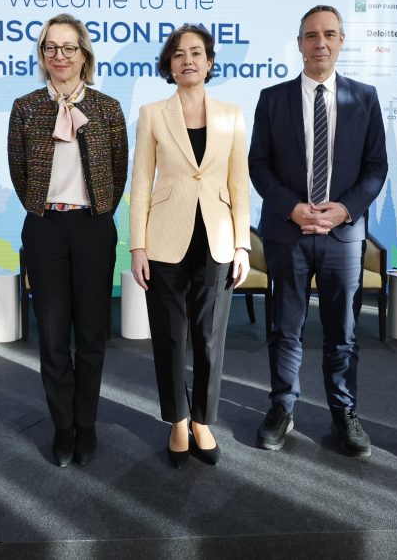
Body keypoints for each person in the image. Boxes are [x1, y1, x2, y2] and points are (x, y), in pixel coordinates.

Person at [249, 5, 387, 457]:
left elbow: (376, 167)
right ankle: (282, 408)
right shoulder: (273, 99)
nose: (320, 42)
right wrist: (291, 208)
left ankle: (344, 412)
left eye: (329, 34)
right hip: (288, 233)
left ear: (342, 41)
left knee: (342, 332)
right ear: (299, 44)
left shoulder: (365, 98)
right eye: (311, 35)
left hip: (342, 235)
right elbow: (259, 164)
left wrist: (344, 210)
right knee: (285, 328)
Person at [8, 13, 128, 468]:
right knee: (54, 335)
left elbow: (118, 172)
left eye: (69, 47)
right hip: (45, 229)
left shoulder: (107, 109)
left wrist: (96, 212)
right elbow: (19, 173)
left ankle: (87, 424)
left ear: (84, 55)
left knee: (92, 335)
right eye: (51, 47)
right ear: (42, 55)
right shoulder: (25, 107)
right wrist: (47, 210)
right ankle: (63, 427)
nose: (60, 55)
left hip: (93, 227)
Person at [129, 25, 251, 468]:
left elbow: (239, 183)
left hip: (217, 241)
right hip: (164, 238)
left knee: (209, 338)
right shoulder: (152, 113)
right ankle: (177, 420)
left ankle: (202, 420)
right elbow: (141, 182)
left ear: (209, 62)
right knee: (170, 336)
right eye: (179, 54)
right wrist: (137, 246)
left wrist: (242, 246)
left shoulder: (232, 114)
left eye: (196, 53)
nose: (188, 61)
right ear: (169, 65)